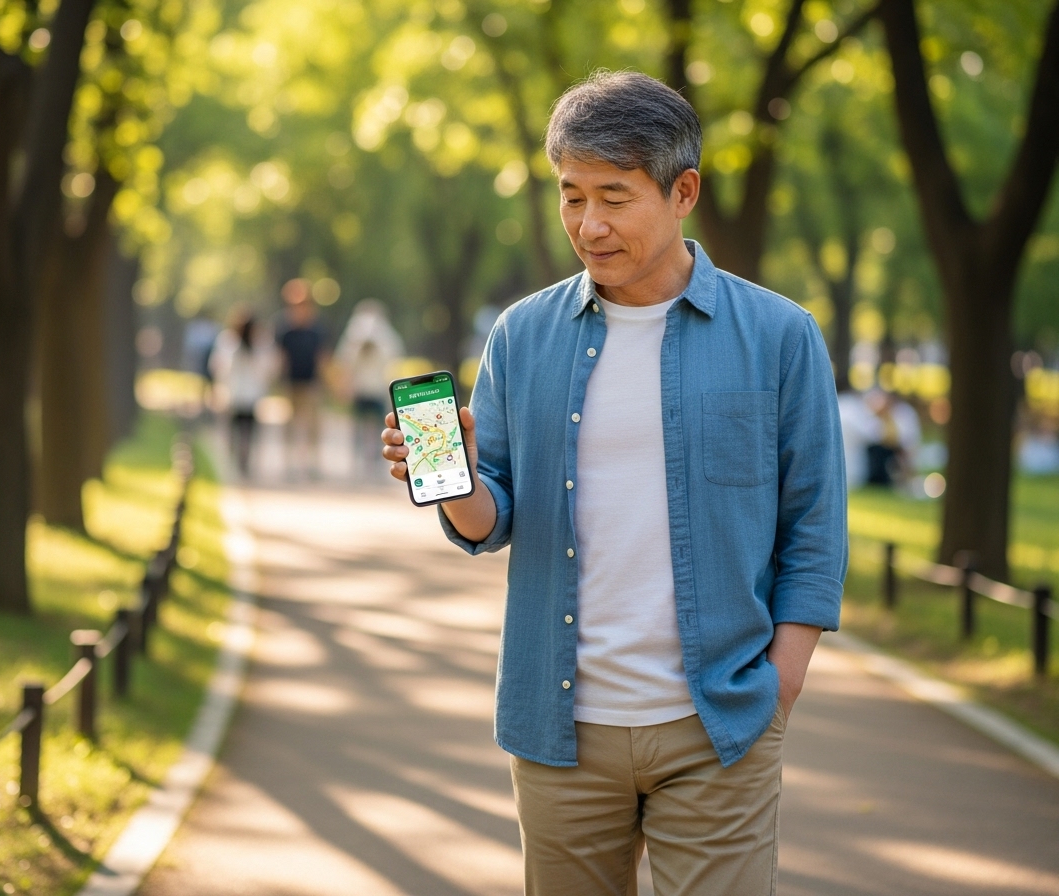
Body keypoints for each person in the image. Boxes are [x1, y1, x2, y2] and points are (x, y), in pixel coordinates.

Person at [381, 71, 847, 895]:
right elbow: (492, 515)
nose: (588, 225)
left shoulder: (779, 336)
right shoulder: (522, 336)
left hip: (720, 722)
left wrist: (783, 681)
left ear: (683, 192)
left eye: (614, 197)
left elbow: (813, 518)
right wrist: (450, 480)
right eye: (570, 196)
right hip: (559, 728)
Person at [334, 299, 404, 474]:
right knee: (358, 426)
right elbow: (346, 360)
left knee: (380, 427)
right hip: (361, 388)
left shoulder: (385, 335)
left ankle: (378, 461)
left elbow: (393, 358)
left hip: (378, 388)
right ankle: (358, 461)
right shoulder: (354, 334)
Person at [209, 309, 273, 479]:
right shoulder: (230, 341)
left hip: (245, 394)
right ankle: (238, 461)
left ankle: (242, 461)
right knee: (241, 431)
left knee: (242, 430)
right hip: (237, 394)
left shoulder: (258, 343)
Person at [276, 280, 327, 480]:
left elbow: (322, 358)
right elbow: (281, 357)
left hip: (311, 383)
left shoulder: (316, 329)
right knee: (290, 424)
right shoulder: (284, 328)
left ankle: (313, 464)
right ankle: (289, 463)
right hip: (291, 383)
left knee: (314, 426)